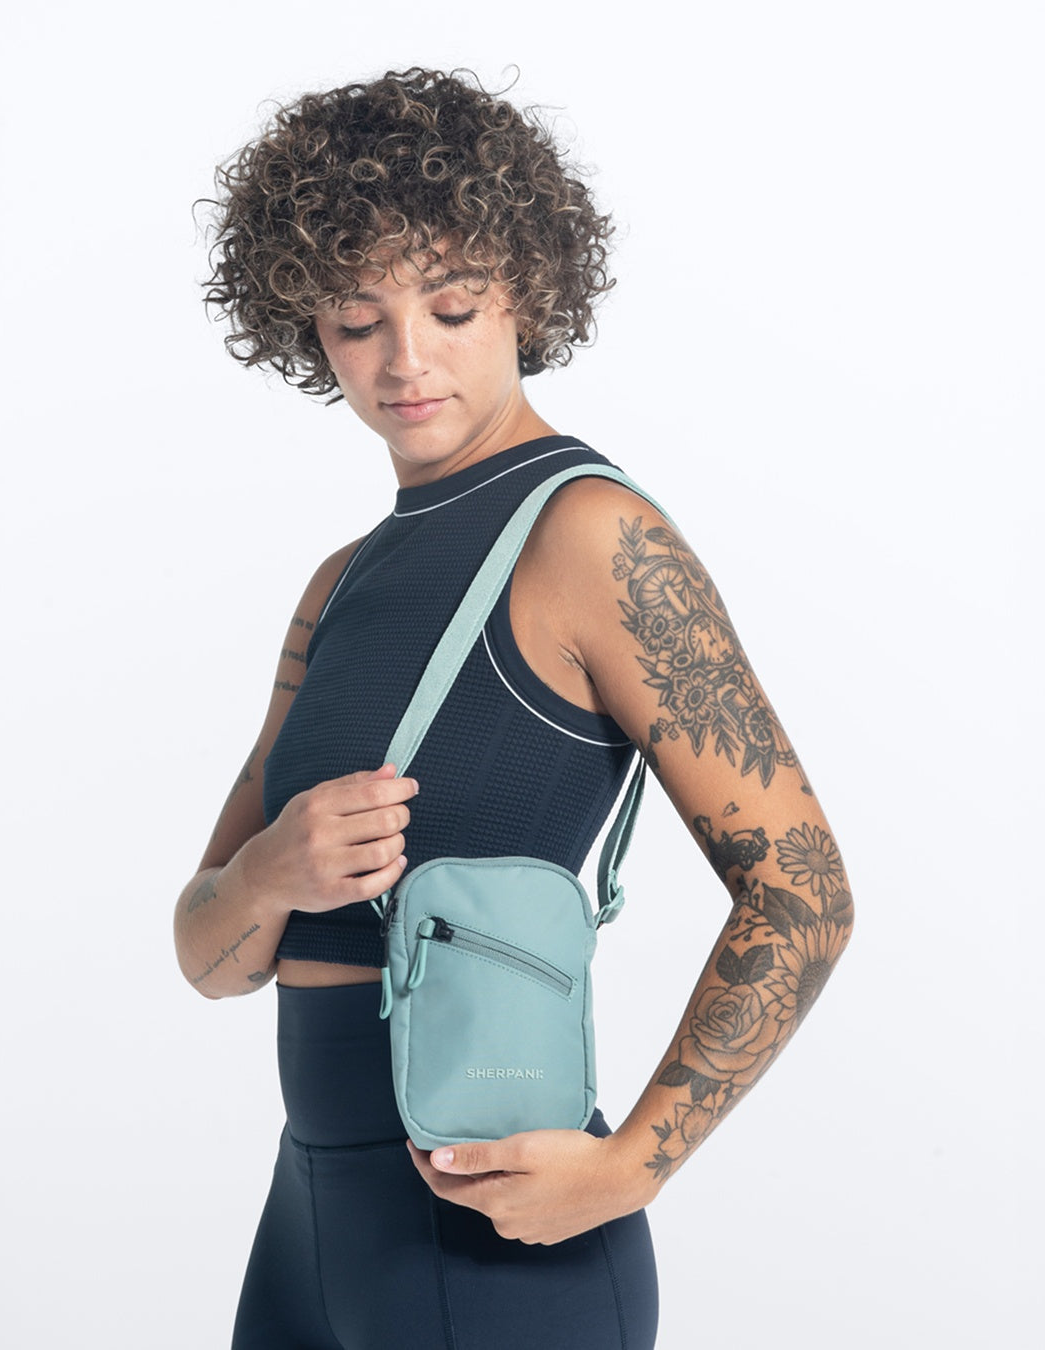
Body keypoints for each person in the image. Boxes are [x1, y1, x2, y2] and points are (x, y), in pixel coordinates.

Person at [175, 67, 854, 1350]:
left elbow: (804, 892)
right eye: (357, 318)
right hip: (306, 1228)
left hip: (502, 1240)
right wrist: (269, 874)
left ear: (527, 293)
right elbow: (208, 953)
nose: (406, 359)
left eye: (451, 306)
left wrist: (632, 1166)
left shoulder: (592, 536)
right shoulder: (341, 584)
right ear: (306, 326)